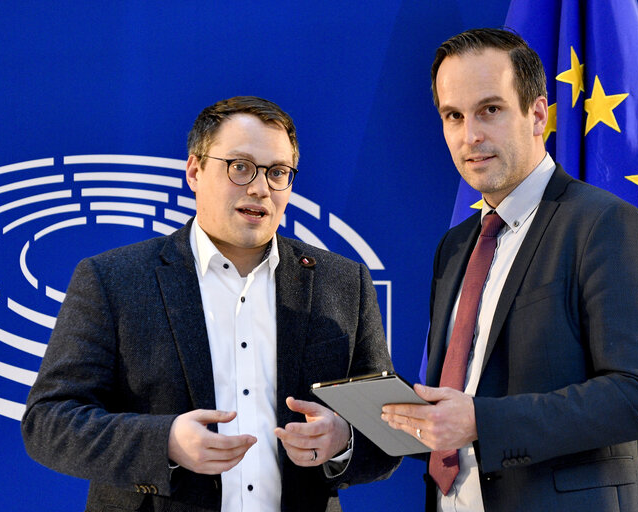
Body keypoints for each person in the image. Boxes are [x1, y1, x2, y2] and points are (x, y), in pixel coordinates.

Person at [22, 96, 399, 512]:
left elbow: (389, 432)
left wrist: (343, 440)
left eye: (278, 173)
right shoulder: (113, 279)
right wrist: (164, 442)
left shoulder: (343, 282)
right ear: (195, 171)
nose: (259, 188)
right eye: (239, 167)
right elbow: (49, 422)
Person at [381, 28, 638, 511]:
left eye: (490, 110)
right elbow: (456, 409)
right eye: (453, 116)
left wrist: (482, 421)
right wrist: (355, 432)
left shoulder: (603, 224)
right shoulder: (455, 248)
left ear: (537, 114)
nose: (470, 135)